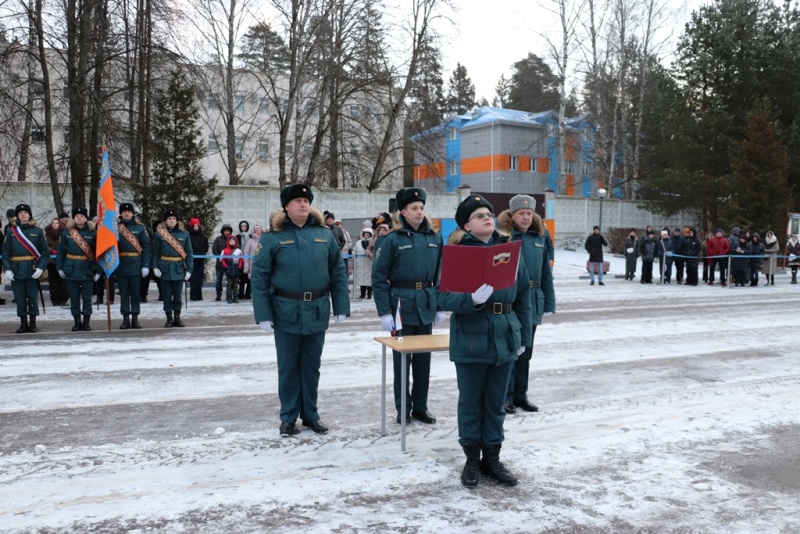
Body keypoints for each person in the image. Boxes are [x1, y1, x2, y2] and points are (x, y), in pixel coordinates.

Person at [437, 194, 532, 488]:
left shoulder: (509, 251)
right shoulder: (456, 253)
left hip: (505, 335)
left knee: (494, 403)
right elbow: (442, 296)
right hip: (471, 337)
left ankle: (492, 458)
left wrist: (523, 337)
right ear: (466, 225)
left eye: (489, 214)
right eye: (479, 215)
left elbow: (524, 296)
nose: (487, 218)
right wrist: (471, 300)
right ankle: (471, 460)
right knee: (471, 402)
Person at [251, 184, 350, 437]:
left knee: (311, 366)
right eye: (297, 200)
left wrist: (341, 306)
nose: (303, 204)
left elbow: (337, 272)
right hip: (285, 310)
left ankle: (311, 415)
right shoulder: (272, 238)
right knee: (288, 367)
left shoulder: (325, 235)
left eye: (306, 200)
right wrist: (263, 314)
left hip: (317, 308)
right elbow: (260, 278)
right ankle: (288, 417)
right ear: (286, 206)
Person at [372, 187, 444, 425]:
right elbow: (379, 277)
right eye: (414, 208)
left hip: (426, 304)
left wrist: (441, 305)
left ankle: (420, 407)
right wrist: (384, 312)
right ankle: (403, 408)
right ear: (403, 212)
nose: (419, 212)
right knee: (402, 361)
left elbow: (441, 273)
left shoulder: (434, 237)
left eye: (422, 208)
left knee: (423, 361)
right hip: (400, 307)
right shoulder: (391, 239)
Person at [497, 194, 555, 414]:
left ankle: (521, 395)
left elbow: (546, 272)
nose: (526, 217)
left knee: (527, 351)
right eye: (521, 213)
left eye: (529, 213)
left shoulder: (540, 237)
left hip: (535, 298)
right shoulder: (504, 236)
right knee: (513, 348)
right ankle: (507, 396)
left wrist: (549, 302)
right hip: (512, 299)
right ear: (512, 215)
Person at [2, 204, 50, 333]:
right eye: (21, 213)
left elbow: (45, 253)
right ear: (17, 215)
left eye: (25, 212)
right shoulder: (11, 232)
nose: (23, 214)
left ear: (29, 215)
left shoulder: (38, 231)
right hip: (16, 270)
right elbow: (5, 254)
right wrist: (7, 269)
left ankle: (33, 323)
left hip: (32, 269)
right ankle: (23, 323)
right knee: (19, 297)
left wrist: (40, 269)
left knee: (32, 297)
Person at [57, 206, 98, 331]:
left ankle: (86, 322)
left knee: (87, 298)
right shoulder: (66, 233)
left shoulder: (93, 233)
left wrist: (99, 271)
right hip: (71, 268)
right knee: (74, 298)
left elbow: (98, 253)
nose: (79, 218)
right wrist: (59, 267)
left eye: (82, 216)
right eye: (76, 216)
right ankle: (76, 322)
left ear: (86, 218)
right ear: (73, 219)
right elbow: (61, 252)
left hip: (87, 268)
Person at [152, 209, 193, 327]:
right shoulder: (159, 235)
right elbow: (155, 252)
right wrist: (155, 267)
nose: (172, 221)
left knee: (177, 296)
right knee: (166, 295)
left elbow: (189, 253)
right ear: (165, 221)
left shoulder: (184, 234)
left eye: (174, 218)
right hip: (164, 268)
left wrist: (189, 270)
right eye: (169, 219)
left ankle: (177, 318)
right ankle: (169, 318)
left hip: (178, 268)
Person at [116, 203, 151, 329]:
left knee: (136, 293)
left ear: (132, 213)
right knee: (124, 293)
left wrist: (145, 265)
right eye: (124, 211)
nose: (126, 213)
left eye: (129, 211)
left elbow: (146, 247)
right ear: (120, 213)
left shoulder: (140, 228)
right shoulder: (115, 228)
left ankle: (135, 318)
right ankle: (125, 318)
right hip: (121, 264)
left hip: (136, 264)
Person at [45, 217, 69, 305]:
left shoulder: (64, 233)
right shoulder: (46, 235)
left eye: (56, 223)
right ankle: (54, 299)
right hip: (51, 261)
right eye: (53, 223)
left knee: (62, 280)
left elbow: (65, 244)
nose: (55, 224)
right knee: (52, 281)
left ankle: (63, 299)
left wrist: (60, 250)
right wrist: (51, 250)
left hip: (62, 260)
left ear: (59, 224)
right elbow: (44, 245)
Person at [188, 217, 209, 301]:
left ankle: (199, 295)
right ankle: (193, 295)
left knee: (200, 279)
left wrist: (202, 253)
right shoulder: (188, 236)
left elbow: (206, 246)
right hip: (192, 261)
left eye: (197, 225)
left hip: (200, 260)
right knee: (193, 278)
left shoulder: (203, 236)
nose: (196, 227)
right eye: (194, 225)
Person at [212, 223, 233, 301]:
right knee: (218, 281)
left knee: (230, 281)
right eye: (225, 230)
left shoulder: (232, 239)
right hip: (220, 264)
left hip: (229, 264)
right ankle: (218, 295)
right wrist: (220, 257)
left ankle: (229, 295)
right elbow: (214, 249)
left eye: (228, 230)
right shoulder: (218, 239)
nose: (227, 232)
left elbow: (235, 248)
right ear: (223, 231)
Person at [352, 227, 373, 299]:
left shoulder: (372, 242)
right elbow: (354, 250)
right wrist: (354, 255)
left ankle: (369, 293)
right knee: (361, 279)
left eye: (368, 235)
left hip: (369, 263)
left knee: (369, 279)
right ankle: (362, 293)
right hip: (360, 264)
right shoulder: (358, 243)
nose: (366, 236)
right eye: (365, 235)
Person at [221, 234, 243, 303]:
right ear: (228, 242)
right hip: (229, 271)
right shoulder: (225, 251)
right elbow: (222, 260)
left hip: (236, 271)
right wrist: (226, 267)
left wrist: (239, 267)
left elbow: (241, 259)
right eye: (231, 241)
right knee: (229, 285)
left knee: (236, 285)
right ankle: (229, 297)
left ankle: (236, 297)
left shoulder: (239, 251)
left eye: (233, 241)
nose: (232, 242)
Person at [242, 224, 264, 293]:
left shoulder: (264, 240)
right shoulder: (250, 241)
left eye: (259, 230)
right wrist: (246, 267)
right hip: (252, 266)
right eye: (256, 230)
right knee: (253, 282)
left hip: (263, 265)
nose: (258, 231)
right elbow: (246, 254)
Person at [237, 220, 251, 300]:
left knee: (249, 278)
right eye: (242, 226)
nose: (243, 228)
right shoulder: (237, 237)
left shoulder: (250, 236)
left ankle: (248, 294)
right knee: (241, 278)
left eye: (245, 226)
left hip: (249, 259)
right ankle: (241, 293)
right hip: (240, 259)